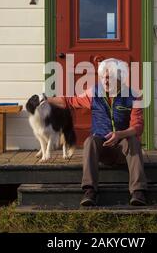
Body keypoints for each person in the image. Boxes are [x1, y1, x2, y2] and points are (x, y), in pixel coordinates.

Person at [47, 58, 148, 206]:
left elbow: (138, 126)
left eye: (110, 77)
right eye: (103, 77)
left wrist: (120, 134)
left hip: (123, 150)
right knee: (90, 141)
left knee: (132, 139)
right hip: (102, 150)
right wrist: (44, 99)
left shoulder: (134, 95)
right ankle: (90, 191)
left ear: (120, 78)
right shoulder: (93, 93)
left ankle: (138, 191)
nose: (105, 81)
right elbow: (69, 102)